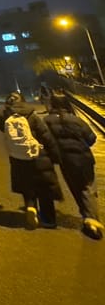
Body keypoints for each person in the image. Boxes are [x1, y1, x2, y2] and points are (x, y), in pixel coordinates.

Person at [0, 91, 63, 229]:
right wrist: (55, 155)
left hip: (19, 157)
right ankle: (48, 220)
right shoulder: (32, 115)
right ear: (23, 101)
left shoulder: (6, 117)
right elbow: (46, 136)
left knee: (27, 186)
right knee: (44, 189)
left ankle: (31, 207)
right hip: (39, 156)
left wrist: (7, 110)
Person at [44, 95, 103, 240]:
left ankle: (86, 216)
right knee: (88, 188)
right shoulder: (76, 120)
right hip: (84, 159)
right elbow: (91, 138)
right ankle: (91, 219)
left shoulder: (47, 121)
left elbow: (46, 140)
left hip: (65, 161)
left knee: (75, 188)